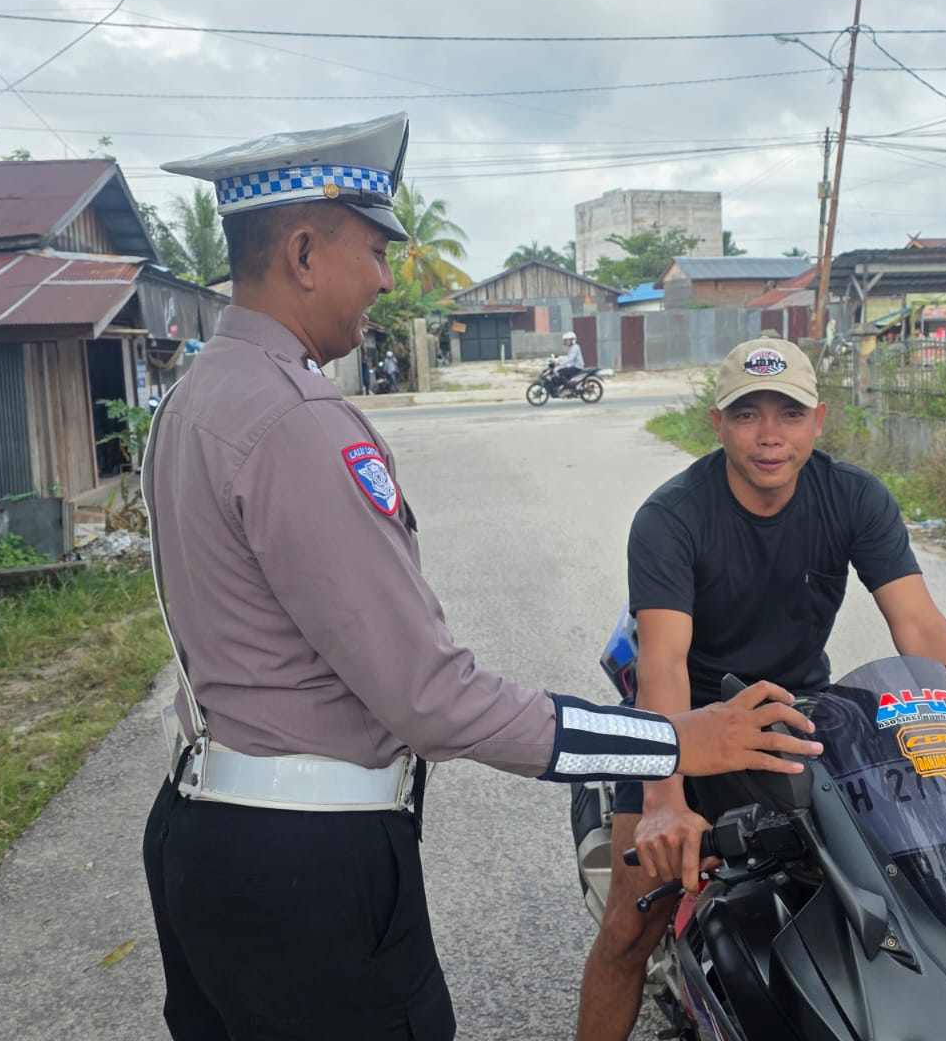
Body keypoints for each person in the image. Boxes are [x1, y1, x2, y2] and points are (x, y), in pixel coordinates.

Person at [141, 114, 824, 1041]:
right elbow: (433, 699)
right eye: (375, 249)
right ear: (304, 251)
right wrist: (667, 744)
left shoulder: (194, 396)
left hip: (201, 831)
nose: (387, 277)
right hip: (307, 871)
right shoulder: (299, 419)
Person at [574, 336, 946, 1041]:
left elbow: (921, 629)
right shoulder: (671, 518)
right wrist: (666, 802)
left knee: (906, 875)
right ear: (717, 424)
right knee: (630, 927)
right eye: (747, 414)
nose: (768, 436)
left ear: (818, 421)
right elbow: (662, 663)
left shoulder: (853, 498)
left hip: (799, 720)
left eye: (787, 414)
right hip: (690, 727)